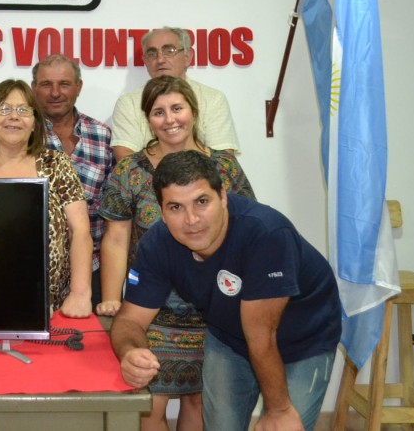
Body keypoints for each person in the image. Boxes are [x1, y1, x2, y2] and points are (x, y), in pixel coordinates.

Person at [110, 151, 340, 431]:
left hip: (303, 340)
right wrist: (130, 352)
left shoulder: (266, 234)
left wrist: (278, 409)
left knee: (285, 425)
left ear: (223, 197)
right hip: (229, 337)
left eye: (202, 202)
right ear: (161, 211)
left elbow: (261, 338)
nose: (191, 219)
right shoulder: (157, 244)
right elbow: (130, 320)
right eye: (176, 208)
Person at [98, 75, 255, 431]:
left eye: (177, 108)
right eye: (158, 112)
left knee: (201, 401)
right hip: (152, 309)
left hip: (214, 308)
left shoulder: (224, 168)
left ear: (193, 112)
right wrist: (110, 299)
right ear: (147, 119)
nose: (170, 119)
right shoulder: (130, 172)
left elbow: (247, 231)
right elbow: (116, 239)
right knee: (148, 403)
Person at [0, 79, 93, 318]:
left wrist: (80, 293)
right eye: (4, 109)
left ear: (35, 123)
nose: (14, 117)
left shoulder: (56, 164)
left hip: (50, 306)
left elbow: (81, 231)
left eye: (23, 110)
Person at [32, 54, 113, 307]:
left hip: (94, 269)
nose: (55, 93)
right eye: (46, 85)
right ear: (34, 89)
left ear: (78, 87)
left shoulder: (102, 135)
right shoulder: (21, 136)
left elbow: (115, 209)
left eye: (64, 84)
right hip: (35, 272)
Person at [112, 27, 239, 162]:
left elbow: (222, 160)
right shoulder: (129, 103)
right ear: (145, 60)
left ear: (187, 56)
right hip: (149, 182)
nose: (160, 59)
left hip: (203, 182)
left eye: (169, 51)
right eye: (152, 53)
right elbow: (126, 159)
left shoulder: (213, 99)